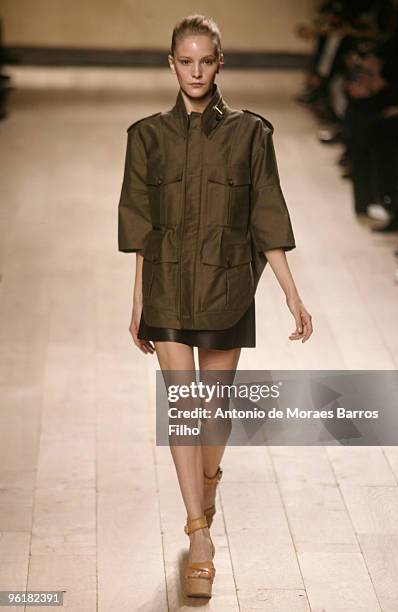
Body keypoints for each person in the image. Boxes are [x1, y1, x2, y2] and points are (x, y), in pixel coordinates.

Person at [117, 14, 313, 600]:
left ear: (220, 63)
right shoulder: (145, 136)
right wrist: (138, 301)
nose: (196, 71)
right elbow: (141, 228)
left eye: (206, 60)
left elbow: (267, 217)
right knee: (183, 406)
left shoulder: (252, 133)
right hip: (170, 286)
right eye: (186, 61)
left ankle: (208, 479)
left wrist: (291, 293)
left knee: (214, 412)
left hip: (228, 286)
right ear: (171, 63)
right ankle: (199, 533)